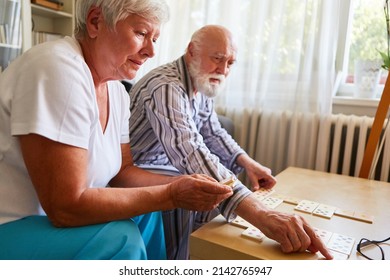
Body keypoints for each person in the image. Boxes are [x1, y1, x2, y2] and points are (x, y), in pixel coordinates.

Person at [0, 1, 234, 260]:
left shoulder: (117, 90)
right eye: (142, 34)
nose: (151, 51)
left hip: (50, 222)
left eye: (155, 38)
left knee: (148, 211)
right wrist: (170, 195)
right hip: (11, 224)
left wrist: (180, 185)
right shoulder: (56, 67)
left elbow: (123, 172)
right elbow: (65, 207)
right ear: (95, 22)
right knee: (121, 239)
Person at [129, 25, 333, 260]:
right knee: (197, 185)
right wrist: (261, 214)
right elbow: (190, 151)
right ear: (192, 51)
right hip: (138, 168)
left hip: (171, 162)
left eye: (230, 63)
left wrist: (247, 162)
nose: (223, 70)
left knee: (217, 185)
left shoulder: (200, 81)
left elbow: (213, 132)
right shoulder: (166, 86)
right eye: (217, 58)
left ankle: (197, 251)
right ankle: (177, 260)